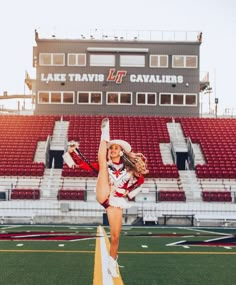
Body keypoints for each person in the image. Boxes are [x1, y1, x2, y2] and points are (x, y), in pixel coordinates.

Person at [64, 118, 149, 278]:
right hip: (103, 194)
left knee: (116, 237)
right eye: (111, 148)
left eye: (115, 148)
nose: (113, 150)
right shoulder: (104, 165)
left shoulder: (130, 170)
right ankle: (105, 132)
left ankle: (112, 262)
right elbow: (75, 164)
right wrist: (70, 152)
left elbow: (141, 181)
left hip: (115, 202)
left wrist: (128, 192)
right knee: (102, 164)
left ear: (122, 151)